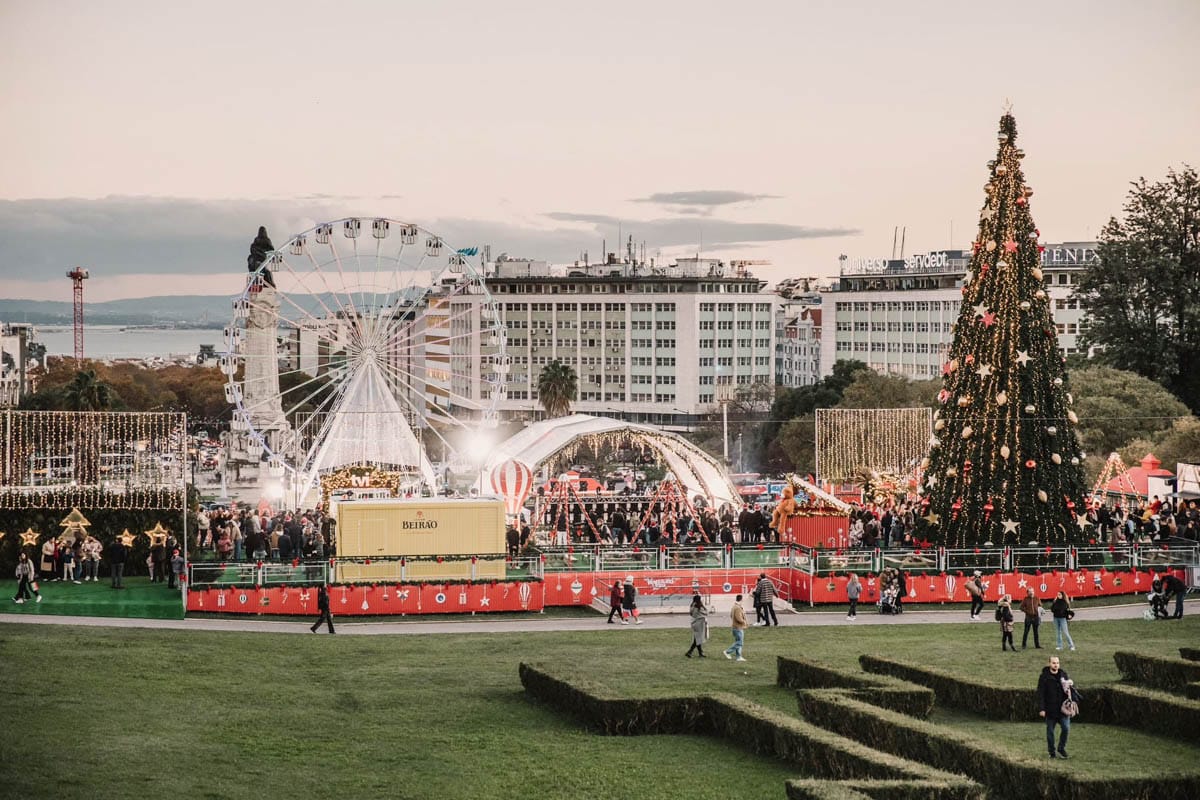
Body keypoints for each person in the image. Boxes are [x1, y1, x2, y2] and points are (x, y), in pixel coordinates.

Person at [1037, 655, 1073, 758]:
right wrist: (1042, 708)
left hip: (1063, 710)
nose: (1056, 665)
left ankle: (1061, 748)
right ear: (1049, 663)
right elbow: (1040, 693)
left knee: (1066, 728)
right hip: (1050, 710)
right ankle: (1051, 752)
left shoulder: (1063, 675)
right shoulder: (1044, 677)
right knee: (1050, 732)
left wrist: (1070, 685)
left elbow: (1068, 690)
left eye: (1057, 663)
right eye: (1053, 663)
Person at [723, 594, 748, 662]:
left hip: (735, 627)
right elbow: (738, 618)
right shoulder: (738, 608)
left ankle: (738, 657)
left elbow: (731, 615)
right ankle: (727, 652)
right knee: (740, 643)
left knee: (738, 642)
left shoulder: (734, 606)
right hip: (738, 627)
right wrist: (744, 622)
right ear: (741, 600)